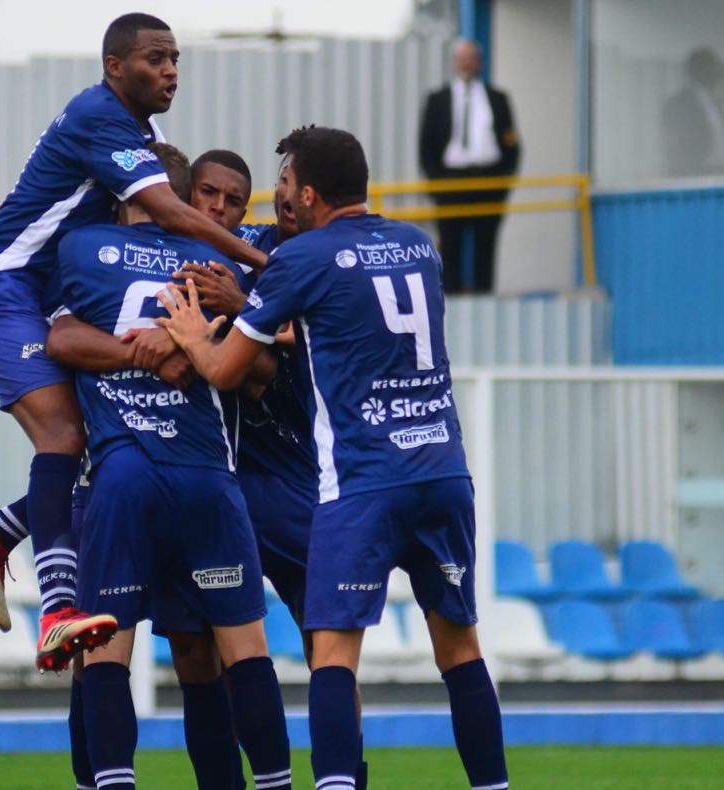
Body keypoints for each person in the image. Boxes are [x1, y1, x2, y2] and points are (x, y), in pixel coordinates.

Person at [158, 126, 508, 790]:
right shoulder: (418, 246)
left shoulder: (305, 258)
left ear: (311, 193)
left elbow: (229, 369)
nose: (279, 197)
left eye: (285, 184)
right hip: (443, 469)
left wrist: (193, 334)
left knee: (332, 656)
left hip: (363, 482)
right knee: (461, 648)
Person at [0, 12, 269, 673]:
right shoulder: (98, 115)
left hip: (39, 291)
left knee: (99, 437)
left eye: (176, 58)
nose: (170, 69)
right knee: (65, 436)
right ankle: (58, 611)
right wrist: (266, 269)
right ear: (114, 65)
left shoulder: (145, 133)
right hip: (1, 287)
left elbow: (172, 210)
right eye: (154, 58)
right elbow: (175, 213)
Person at [45, 142, 292, 790]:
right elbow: (254, 358)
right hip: (202, 477)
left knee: (113, 649)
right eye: (205, 197)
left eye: (232, 202)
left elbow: (58, 338)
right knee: (243, 651)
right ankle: (273, 782)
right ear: (180, 200)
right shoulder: (214, 268)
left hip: (120, 476)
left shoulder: (82, 248)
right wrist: (166, 346)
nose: (216, 209)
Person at [417, 38, 520, 295]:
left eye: (471, 58)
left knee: (486, 243)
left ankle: (484, 294)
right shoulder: (437, 99)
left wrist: (504, 182)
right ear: (454, 62)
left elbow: (512, 143)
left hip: (488, 179)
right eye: (461, 58)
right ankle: (451, 296)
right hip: (451, 180)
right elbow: (426, 145)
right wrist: (436, 183)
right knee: (450, 244)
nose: (466, 63)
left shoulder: (497, 98)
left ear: (480, 63)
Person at [663, 47, 724, 178]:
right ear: (697, 69)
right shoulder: (678, 104)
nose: (717, 72)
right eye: (711, 66)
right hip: (698, 176)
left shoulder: (719, 102)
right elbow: (674, 146)